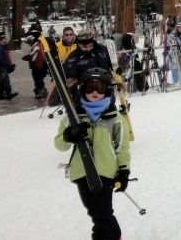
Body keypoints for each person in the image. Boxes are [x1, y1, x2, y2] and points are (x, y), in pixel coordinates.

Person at [54, 68, 131, 240]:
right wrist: (70, 135)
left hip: (106, 172)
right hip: (82, 171)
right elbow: (59, 145)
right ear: (82, 89)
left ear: (107, 91)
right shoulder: (73, 118)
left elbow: (122, 147)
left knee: (101, 214)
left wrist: (124, 171)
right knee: (98, 212)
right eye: (90, 87)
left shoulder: (114, 118)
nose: (95, 92)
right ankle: (115, 236)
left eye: (100, 87)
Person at [0, 34, 17, 100]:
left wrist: (9, 64)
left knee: (2, 80)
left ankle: (1, 94)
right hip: (0, 67)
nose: (5, 42)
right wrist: (6, 64)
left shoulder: (0, 47)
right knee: (5, 80)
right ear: (0, 41)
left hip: (2, 66)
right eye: (4, 40)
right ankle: (6, 94)